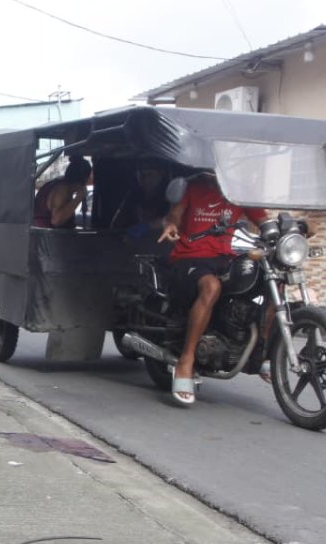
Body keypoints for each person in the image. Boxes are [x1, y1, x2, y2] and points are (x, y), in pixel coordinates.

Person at [158, 173, 267, 405]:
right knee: (211, 286)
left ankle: (261, 353)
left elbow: (264, 221)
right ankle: (186, 361)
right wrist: (171, 225)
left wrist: (293, 228)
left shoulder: (238, 191)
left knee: (267, 280)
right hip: (189, 258)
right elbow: (174, 215)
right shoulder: (191, 186)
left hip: (224, 258)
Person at [112, 159, 171, 239]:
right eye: (142, 175)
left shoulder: (170, 193)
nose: (146, 180)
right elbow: (117, 223)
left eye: (150, 174)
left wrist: (149, 226)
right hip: (134, 245)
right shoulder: (134, 194)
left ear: (161, 174)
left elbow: (175, 218)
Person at [32, 157, 92, 229]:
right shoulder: (63, 190)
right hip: (49, 237)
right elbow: (56, 220)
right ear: (85, 178)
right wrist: (78, 198)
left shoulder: (54, 184)